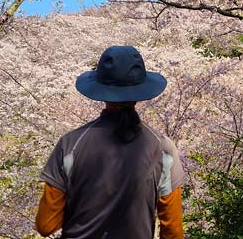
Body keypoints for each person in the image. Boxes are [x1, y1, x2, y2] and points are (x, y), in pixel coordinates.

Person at [35, 46, 185, 238]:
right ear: (140, 91)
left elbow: (46, 225)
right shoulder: (163, 147)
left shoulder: (70, 144)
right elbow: (173, 231)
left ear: (101, 90)